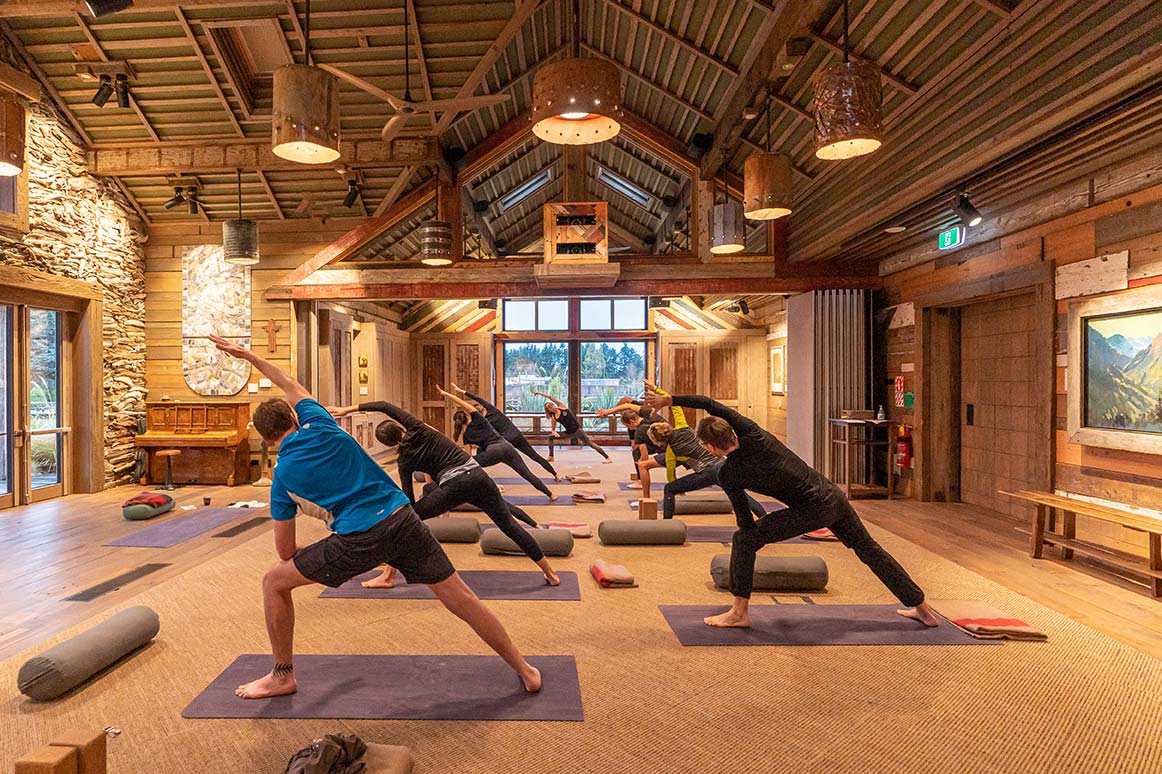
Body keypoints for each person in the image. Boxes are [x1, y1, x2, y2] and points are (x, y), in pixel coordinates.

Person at [206, 335, 543, 700]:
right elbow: (288, 383)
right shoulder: (319, 421)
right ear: (294, 417)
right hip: (403, 517)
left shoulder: (281, 479)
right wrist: (248, 355)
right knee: (460, 596)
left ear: (268, 442)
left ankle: (282, 675)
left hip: (358, 538)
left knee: (274, 581)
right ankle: (524, 669)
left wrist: (325, 554)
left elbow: (285, 551)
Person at [643, 389, 937, 630]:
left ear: (709, 447)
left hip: (812, 508)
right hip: (833, 495)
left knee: (744, 540)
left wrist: (756, 536)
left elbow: (745, 521)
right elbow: (708, 403)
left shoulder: (727, 473)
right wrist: (670, 400)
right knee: (869, 549)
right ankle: (920, 606)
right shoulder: (751, 432)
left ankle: (738, 612)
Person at [331, 398, 559, 589]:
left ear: (388, 444)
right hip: (479, 476)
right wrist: (348, 409)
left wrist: (412, 509)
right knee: (509, 526)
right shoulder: (419, 428)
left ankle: (388, 576)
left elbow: (408, 500)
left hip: (454, 487)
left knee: (404, 521)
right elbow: (383, 405)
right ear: (400, 427)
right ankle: (550, 572)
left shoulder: (404, 461)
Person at [640, 380, 765, 521]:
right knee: (743, 496)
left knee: (669, 488)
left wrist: (679, 489)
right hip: (724, 464)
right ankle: (765, 518)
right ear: (667, 426)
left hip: (707, 472)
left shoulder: (671, 452)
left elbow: (671, 474)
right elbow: (674, 405)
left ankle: (667, 524)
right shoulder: (682, 425)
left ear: (658, 441)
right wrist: (656, 389)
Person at [444, 386, 557, 501]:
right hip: (507, 447)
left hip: (493, 452)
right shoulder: (481, 419)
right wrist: (453, 392)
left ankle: (489, 489)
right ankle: (551, 494)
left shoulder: (466, 435)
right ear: (469, 415)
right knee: (527, 474)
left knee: (470, 466)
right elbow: (466, 402)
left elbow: (468, 458)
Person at [532, 389, 611, 463]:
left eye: (551, 405)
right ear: (548, 410)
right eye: (548, 407)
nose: (551, 407)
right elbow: (553, 428)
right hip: (569, 433)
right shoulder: (553, 416)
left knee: (590, 444)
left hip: (578, 431)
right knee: (550, 437)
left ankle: (607, 457)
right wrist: (554, 432)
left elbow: (550, 397)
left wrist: (539, 393)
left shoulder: (561, 406)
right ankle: (551, 456)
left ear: (553, 405)